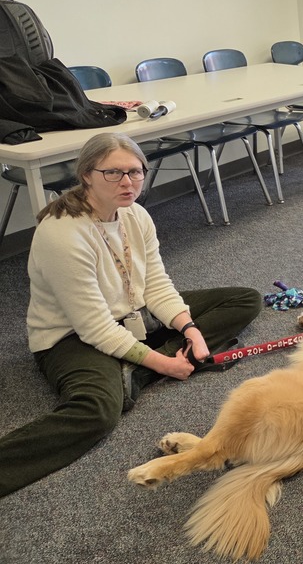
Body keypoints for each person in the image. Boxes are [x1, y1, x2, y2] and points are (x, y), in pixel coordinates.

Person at [0, 133, 262, 498]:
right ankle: (143, 367)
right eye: (113, 173)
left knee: (246, 299)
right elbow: (93, 327)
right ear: (87, 175)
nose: (128, 182)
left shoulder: (135, 214)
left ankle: (134, 369)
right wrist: (166, 365)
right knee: (98, 412)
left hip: (131, 314)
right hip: (72, 337)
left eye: (136, 172)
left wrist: (190, 329)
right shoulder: (62, 234)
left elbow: (155, 284)